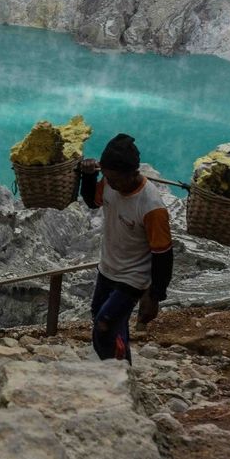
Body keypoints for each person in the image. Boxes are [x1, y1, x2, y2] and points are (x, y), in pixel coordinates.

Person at [78, 133, 173, 363]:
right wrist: (89, 176)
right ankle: (124, 369)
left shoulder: (151, 206)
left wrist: (155, 295)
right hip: (108, 268)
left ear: (134, 173)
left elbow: (163, 254)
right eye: (108, 178)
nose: (112, 184)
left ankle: (113, 372)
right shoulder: (110, 183)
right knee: (103, 318)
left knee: (104, 325)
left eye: (117, 180)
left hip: (133, 277)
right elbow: (93, 201)